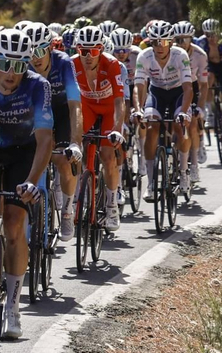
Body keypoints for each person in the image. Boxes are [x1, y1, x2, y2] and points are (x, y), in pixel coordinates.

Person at [0, 27, 54, 341]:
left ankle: (13, 306)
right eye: (4, 63)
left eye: (19, 66)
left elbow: (45, 141)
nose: (10, 73)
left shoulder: (37, 87)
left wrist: (32, 182)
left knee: (15, 225)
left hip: (21, 152)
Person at [25, 22, 82, 240]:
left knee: (64, 160)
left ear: (50, 48)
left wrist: (75, 142)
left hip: (61, 112)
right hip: (35, 114)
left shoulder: (64, 63)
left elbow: (75, 105)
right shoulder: (24, 66)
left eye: (40, 51)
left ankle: (67, 210)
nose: (35, 57)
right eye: (31, 52)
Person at [71, 24, 130, 231]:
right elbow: (70, 102)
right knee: (76, 146)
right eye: (83, 51)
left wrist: (116, 129)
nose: (88, 56)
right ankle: (78, 193)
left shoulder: (112, 64)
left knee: (107, 155)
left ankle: (112, 205)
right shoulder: (72, 65)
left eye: (93, 51)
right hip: (86, 106)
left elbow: (119, 102)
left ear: (101, 50)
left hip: (107, 109)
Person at [133, 19, 194, 200]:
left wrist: (183, 112)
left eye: (164, 42)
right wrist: (138, 109)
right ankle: (151, 183)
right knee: (151, 129)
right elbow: (139, 87)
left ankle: (183, 172)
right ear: (150, 42)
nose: (160, 46)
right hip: (157, 93)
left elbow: (188, 88)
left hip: (178, 94)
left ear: (171, 42)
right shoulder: (144, 56)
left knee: (180, 127)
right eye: (155, 42)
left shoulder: (180, 55)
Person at [171, 20, 210, 185]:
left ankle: (193, 164)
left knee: (193, 122)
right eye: (177, 39)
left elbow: (204, 84)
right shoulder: (169, 53)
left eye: (184, 39)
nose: (181, 43)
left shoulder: (200, 55)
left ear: (191, 39)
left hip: (192, 87)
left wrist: (200, 106)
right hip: (173, 87)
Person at [196, 18, 222, 151]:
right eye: (208, 34)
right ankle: (209, 110)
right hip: (210, 67)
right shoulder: (201, 42)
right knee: (208, 78)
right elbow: (199, 64)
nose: (211, 38)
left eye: (214, 34)